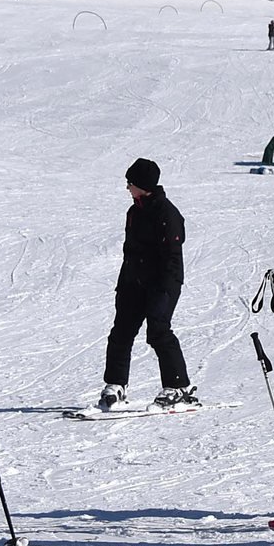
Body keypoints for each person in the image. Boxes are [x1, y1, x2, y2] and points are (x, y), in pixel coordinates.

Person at [100, 159, 193, 411]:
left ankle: (177, 387)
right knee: (121, 333)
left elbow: (172, 256)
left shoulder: (166, 213)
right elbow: (129, 251)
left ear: (142, 185)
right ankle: (116, 385)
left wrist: (163, 288)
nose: (128, 188)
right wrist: (124, 284)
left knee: (159, 331)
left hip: (162, 283)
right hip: (133, 282)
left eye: (130, 183)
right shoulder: (134, 211)